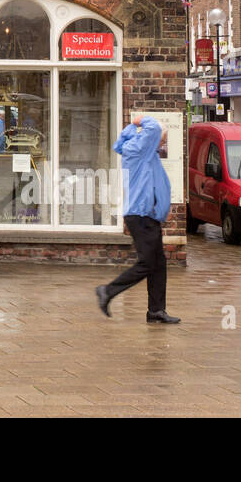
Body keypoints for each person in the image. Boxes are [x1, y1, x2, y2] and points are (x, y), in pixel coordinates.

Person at [95, 111, 179, 324]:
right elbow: (153, 129)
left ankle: (156, 311)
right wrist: (140, 120)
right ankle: (108, 291)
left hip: (148, 215)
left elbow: (120, 143)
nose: (164, 142)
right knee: (148, 263)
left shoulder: (144, 152)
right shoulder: (140, 150)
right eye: (164, 139)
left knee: (158, 264)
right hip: (140, 216)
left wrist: (162, 208)